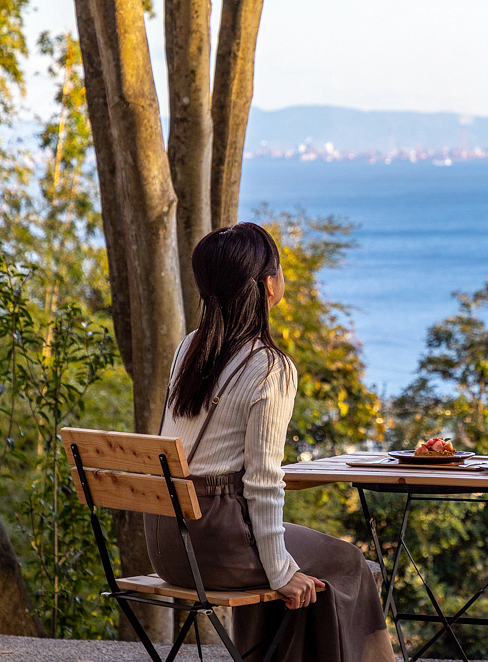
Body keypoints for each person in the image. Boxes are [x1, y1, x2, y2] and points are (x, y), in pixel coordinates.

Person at [144, 222, 394, 662]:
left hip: (168, 544)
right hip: (217, 545)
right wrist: (280, 572)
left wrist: (284, 570)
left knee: (308, 574)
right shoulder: (269, 368)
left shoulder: (190, 348)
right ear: (268, 286)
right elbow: (261, 483)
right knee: (351, 564)